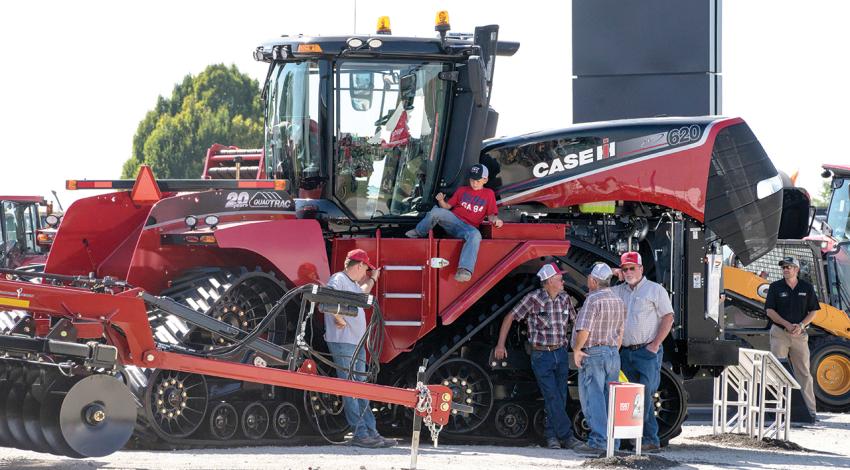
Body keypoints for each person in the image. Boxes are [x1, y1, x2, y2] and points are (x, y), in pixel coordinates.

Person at [494, 262, 580, 450]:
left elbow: (577, 323)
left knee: (559, 396)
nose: (563, 280)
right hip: (542, 355)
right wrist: (500, 344)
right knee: (551, 395)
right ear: (549, 281)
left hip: (561, 352)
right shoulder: (532, 299)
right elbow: (510, 317)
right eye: (559, 278)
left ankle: (552, 436)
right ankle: (567, 436)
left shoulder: (565, 299)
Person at [323, 248, 396, 448]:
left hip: (353, 343)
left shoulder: (352, 284)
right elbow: (327, 300)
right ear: (359, 265)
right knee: (352, 388)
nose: (366, 272)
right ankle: (361, 434)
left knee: (360, 388)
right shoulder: (338, 279)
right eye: (366, 268)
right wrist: (338, 319)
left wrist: (373, 279)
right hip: (344, 342)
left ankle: (370, 432)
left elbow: (361, 294)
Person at [611, 252, 674, 452]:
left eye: (632, 268)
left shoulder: (655, 290)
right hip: (625, 353)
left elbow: (668, 317)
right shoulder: (618, 290)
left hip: (647, 352)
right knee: (627, 399)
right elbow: (595, 289)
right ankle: (633, 439)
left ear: (641, 269)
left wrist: (655, 345)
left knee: (644, 397)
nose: (628, 272)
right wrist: (610, 273)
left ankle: (650, 439)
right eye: (625, 269)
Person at [406, 163, 503, 282]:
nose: (474, 183)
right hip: (454, 221)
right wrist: (441, 200)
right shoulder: (462, 190)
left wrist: (496, 221)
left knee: (476, 235)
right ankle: (418, 232)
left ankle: (464, 270)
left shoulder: (489, 194)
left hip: (468, 228)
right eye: (472, 179)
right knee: (436, 211)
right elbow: (447, 207)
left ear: (485, 180)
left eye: (477, 180)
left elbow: (491, 214)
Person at [571, 262, 626, 455]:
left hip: (593, 353)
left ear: (593, 281)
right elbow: (620, 333)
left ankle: (598, 442)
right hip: (612, 353)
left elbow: (584, 329)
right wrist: (612, 350)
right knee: (610, 399)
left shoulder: (592, 300)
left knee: (592, 399)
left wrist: (577, 349)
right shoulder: (618, 300)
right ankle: (613, 443)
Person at [764, 256, 819, 423]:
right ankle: (774, 411)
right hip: (780, 334)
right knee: (776, 371)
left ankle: (810, 411)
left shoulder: (806, 287)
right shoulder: (775, 287)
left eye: (789, 267)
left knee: (804, 373)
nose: (785, 269)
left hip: (800, 336)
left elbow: (813, 311)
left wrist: (801, 325)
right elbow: (770, 311)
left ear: (797, 269)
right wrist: (787, 324)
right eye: (784, 267)